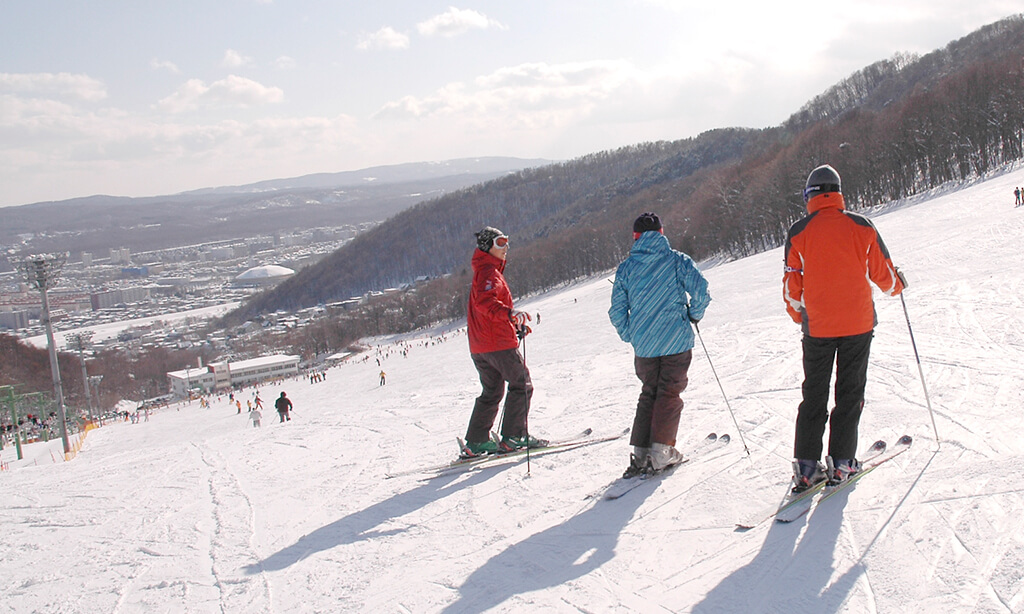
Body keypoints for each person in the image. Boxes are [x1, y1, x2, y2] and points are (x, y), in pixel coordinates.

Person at [784, 164, 906, 492]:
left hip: (819, 328)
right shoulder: (861, 226)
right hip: (858, 324)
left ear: (809, 195)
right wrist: (897, 286)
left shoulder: (798, 232)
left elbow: (792, 286)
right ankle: (841, 463)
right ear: (838, 192)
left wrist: (802, 317)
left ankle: (806, 468)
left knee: (814, 394)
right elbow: (884, 274)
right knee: (850, 393)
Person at [609, 212, 711, 476]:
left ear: (635, 237)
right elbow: (700, 291)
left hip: (644, 347)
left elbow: (617, 311)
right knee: (669, 392)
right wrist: (694, 314)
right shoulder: (677, 260)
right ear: (662, 233)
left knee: (649, 392)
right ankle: (661, 451)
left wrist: (632, 334)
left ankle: (641, 452)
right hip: (676, 340)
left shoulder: (626, 269)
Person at [461, 227, 546, 457]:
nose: (506, 247)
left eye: (507, 242)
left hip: (480, 346)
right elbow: (485, 303)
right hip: (496, 344)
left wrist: (514, 324)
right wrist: (510, 314)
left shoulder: (483, 271)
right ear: (488, 246)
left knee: (492, 390)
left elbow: (485, 310)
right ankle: (514, 436)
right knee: (521, 383)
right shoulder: (488, 273)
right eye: (500, 243)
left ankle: (477, 441)